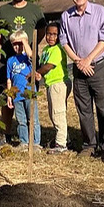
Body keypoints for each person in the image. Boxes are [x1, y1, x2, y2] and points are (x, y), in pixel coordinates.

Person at [60, 0, 104, 159]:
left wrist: (88, 59)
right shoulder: (66, 16)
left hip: (98, 67)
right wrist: (78, 61)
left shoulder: (100, 12)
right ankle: (89, 144)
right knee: (83, 108)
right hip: (78, 69)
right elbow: (64, 41)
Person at [0, 0, 47, 148]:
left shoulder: (35, 10)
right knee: (7, 95)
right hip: (9, 61)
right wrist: (8, 47)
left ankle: (33, 138)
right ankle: (6, 133)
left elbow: (41, 30)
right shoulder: (3, 10)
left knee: (29, 97)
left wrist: (30, 48)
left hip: (28, 62)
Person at [38, 22, 71, 154]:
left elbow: (49, 66)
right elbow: (42, 64)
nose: (51, 37)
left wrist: (38, 73)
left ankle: (61, 144)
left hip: (58, 83)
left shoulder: (58, 49)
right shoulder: (46, 49)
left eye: (54, 34)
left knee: (58, 114)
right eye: (48, 34)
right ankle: (64, 138)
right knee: (53, 113)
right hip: (51, 83)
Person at [6, 29, 41, 149]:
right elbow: (9, 79)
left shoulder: (28, 58)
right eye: (15, 44)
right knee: (21, 120)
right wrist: (9, 96)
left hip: (29, 93)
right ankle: (24, 141)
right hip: (17, 95)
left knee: (33, 119)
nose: (17, 47)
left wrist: (24, 42)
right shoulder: (10, 61)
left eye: (20, 44)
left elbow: (32, 55)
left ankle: (36, 143)